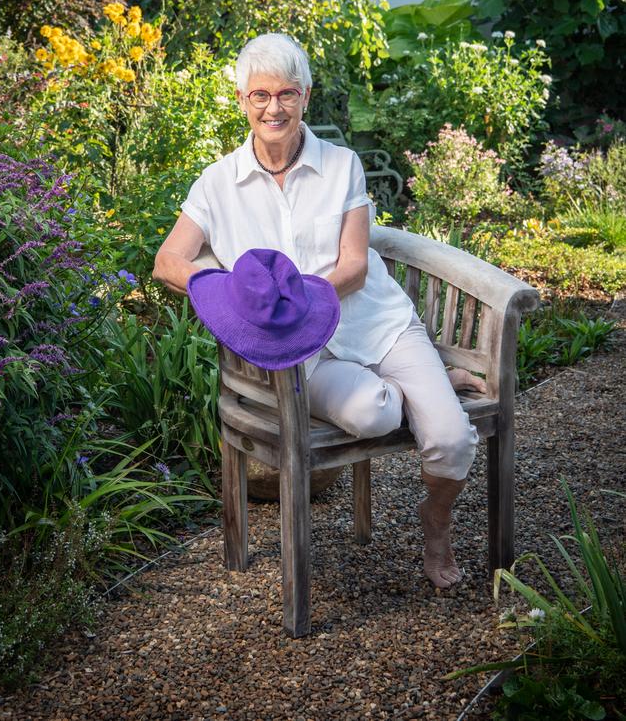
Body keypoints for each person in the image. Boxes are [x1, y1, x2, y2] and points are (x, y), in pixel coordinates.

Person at [153, 32, 483, 589]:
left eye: (285, 93)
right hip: (303, 352)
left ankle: (437, 521)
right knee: (376, 413)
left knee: (450, 439)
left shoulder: (342, 165)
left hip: (377, 324)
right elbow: (168, 262)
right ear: (241, 100)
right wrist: (230, 292)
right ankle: (432, 385)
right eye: (260, 95)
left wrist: (301, 302)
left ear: (305, 95)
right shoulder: (218, 183)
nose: (272, 108)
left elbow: (353, 266)